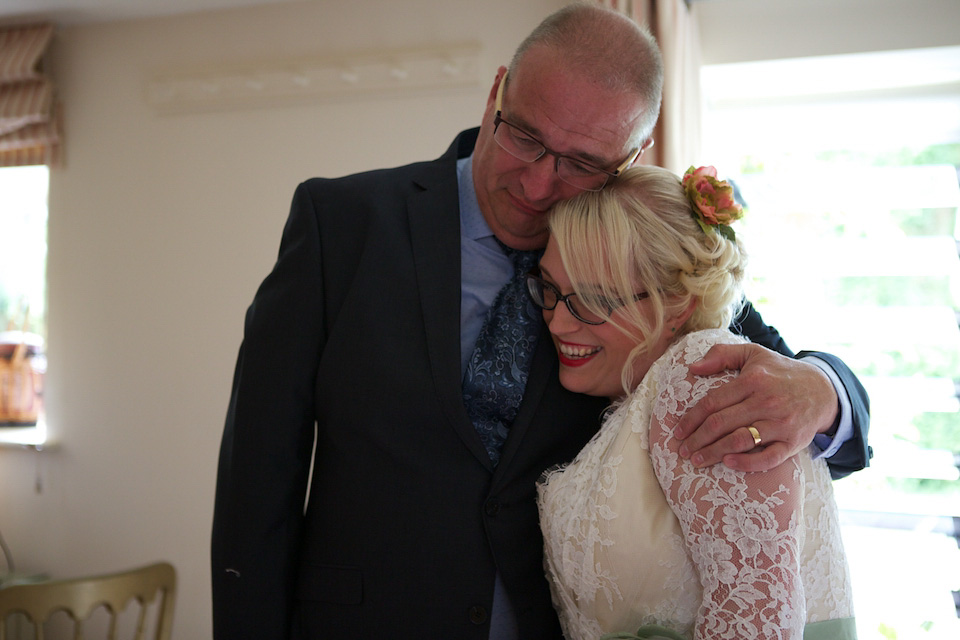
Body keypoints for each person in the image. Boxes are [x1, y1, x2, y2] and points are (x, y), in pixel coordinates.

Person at [211, 4, 869, 639]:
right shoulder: (345, 223)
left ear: (632, 157)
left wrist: (821, 391)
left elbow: (769, 371)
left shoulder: (643, 261)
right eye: (524, 137)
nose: (536, 185)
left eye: (582, 164)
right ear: (498, 91)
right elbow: (260, 470)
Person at [535, 165, 856, 639]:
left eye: (594, 299)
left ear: (679, 302)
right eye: (550, 290)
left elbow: (754, 619)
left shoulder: (702, 378)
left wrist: (827, 390)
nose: (559, 324)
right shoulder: (644, 393)